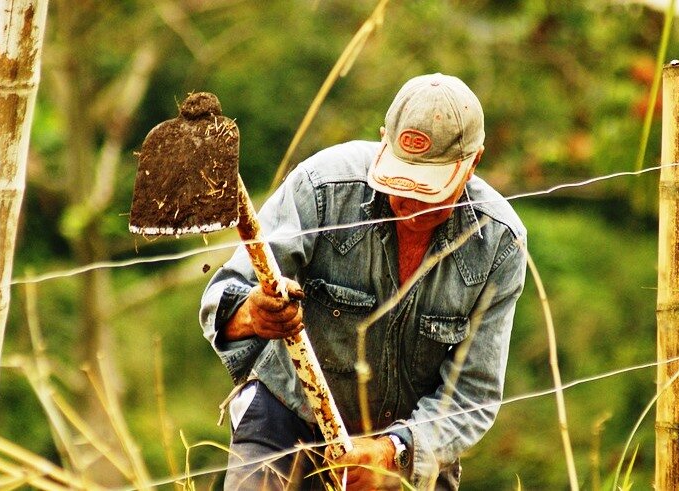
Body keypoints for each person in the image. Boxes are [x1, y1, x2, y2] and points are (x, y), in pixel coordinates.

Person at [200, 73, 527, 490]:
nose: (408, 206)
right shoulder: (322, 187)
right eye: (399, 183)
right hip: (287, 419)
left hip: (404, 450)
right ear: (384, 143)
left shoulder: (499, 243)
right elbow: (221, 298)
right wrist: (252, 314)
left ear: (473, 163)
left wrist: (390, 453)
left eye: (429, 191)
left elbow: (472, 398)